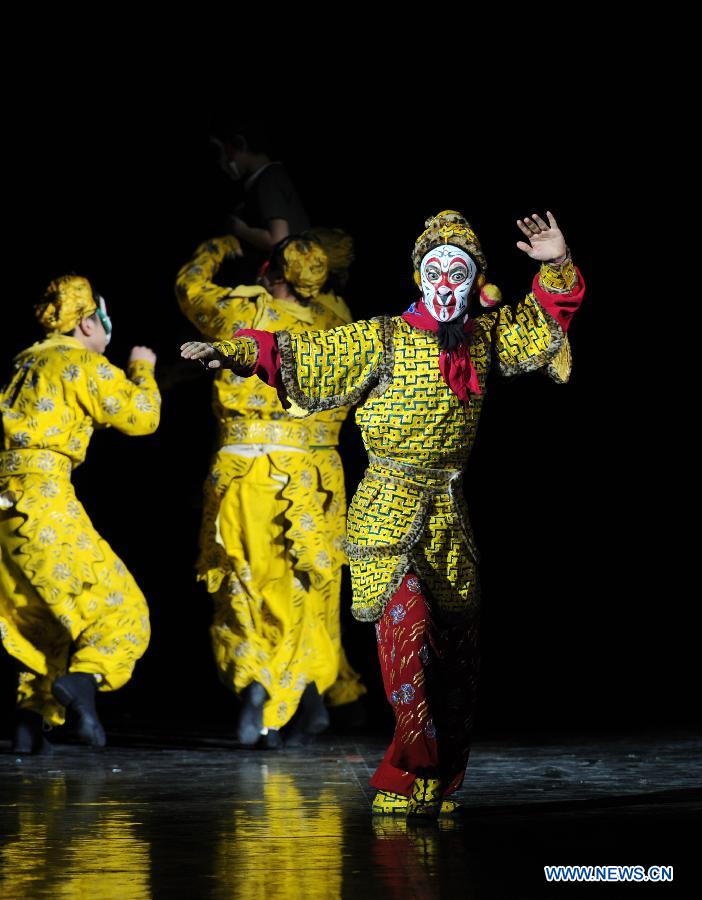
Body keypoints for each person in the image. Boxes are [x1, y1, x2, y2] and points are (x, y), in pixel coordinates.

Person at [181, 209, 585, 816]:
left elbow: (544, 322)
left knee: (457, 657)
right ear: (419, 278)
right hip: (385, 513)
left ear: (475, 281)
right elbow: (308, 353)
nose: (446, 284)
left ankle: (439, 778)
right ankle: (407, 770)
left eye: (460, 271)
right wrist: (236, 355)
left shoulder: (485, 338)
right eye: (435, 270)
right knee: (407, 640)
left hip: (449, 513)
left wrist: (555, 262)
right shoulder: (383, 337)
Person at [175, 233, 364, 748]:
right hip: (304, 471)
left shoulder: (241, 310)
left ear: (271, 273)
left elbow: (188, 287)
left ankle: (254, 685)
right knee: (301, 592)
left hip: (237, 468)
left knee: (241, 584)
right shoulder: (333, 328)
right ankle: (304, 696)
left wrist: (214, 248)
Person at [0, 275, 160, 752]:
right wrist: (141, 368)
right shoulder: (78, 362)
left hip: (5, 506)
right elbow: (141, 416)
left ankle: (31, 721)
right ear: (88, 321)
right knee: (122, 611)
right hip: (40, 499)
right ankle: (85, 681)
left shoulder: (22, 363)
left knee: (40, 618)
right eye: (103, 320)